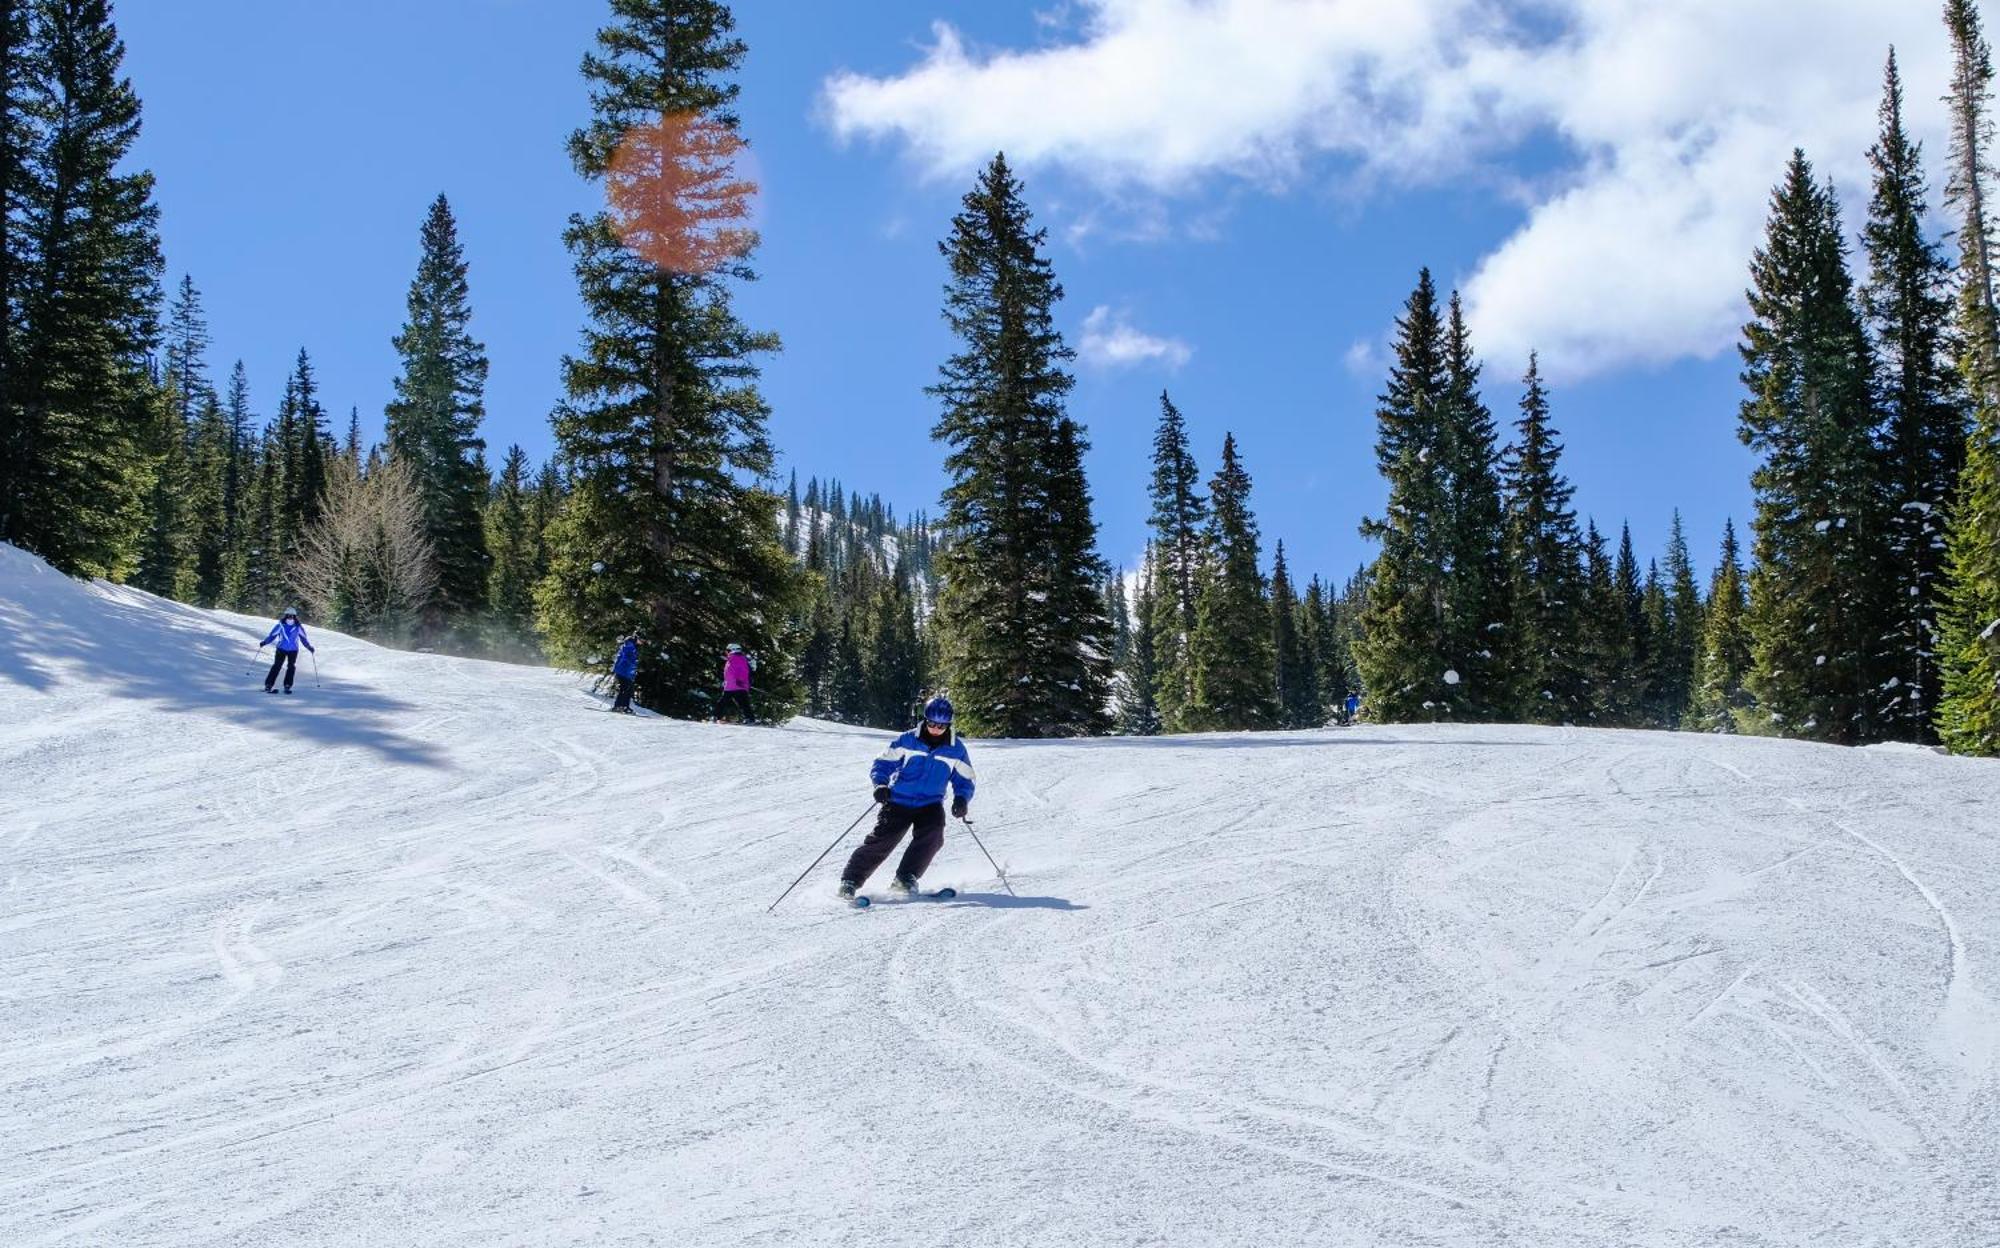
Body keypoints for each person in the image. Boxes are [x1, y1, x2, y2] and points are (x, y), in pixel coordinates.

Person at [839, 695, 975, 899]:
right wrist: (881, 784)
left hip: (930, 802)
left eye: (942, 725)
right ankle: (850, 881)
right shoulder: (907, 739)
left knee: (933, 835)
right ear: (925, 720)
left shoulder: (956, 748)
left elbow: (965, 778)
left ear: (949, 724)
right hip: (898, 800)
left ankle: (905, 878)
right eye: (932, 723)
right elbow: (883, 763)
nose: (936, 729)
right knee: (884, 839)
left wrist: (962, 798)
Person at [259, 608, 315, 694]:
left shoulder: (298, 627)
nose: (290, 617)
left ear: (295, 617)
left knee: (291, 667)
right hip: (281, 649)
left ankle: (287, 685)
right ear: (285, 616)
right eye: (288, 615)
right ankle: (269, 685)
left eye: (292, 616)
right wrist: (265, 642)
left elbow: (303, 638)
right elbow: (272, 636)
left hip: (293, 650)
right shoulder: (281, 625)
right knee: (277, 666)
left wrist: (309, 647)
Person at [717, 643, 754, 723]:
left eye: (728, 650)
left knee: (742, 703)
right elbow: (730, 672)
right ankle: (717, 717)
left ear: (733, 650)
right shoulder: (732, 658)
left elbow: (743, 671)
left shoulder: (738, 658)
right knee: (725, 702)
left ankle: (750, 719)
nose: (726, 652)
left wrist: (741, 680)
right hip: (731, 685)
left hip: (738, 685)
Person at [611, 634, 641, 713]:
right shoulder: (629, 647)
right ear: (635, 640)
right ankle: (619, 706)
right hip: (623, 671)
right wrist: (633, 664)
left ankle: (624, 706)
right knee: (625, 689)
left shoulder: (630, 646)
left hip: (626, 672)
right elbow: (625, 658)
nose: (640, 642)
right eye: (639, 640)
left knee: (627, 689)